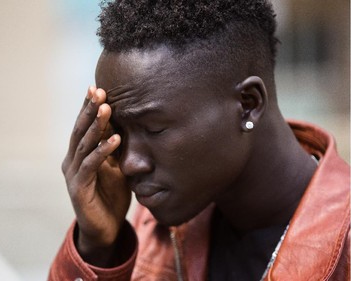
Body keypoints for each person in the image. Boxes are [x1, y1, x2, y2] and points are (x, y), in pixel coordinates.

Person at [49, 0, 350, 280]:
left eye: (153, 129)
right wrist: (98, 249)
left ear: (248, 103)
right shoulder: (150, 232)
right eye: (119, 132)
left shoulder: (344, 244)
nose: (129, 164)